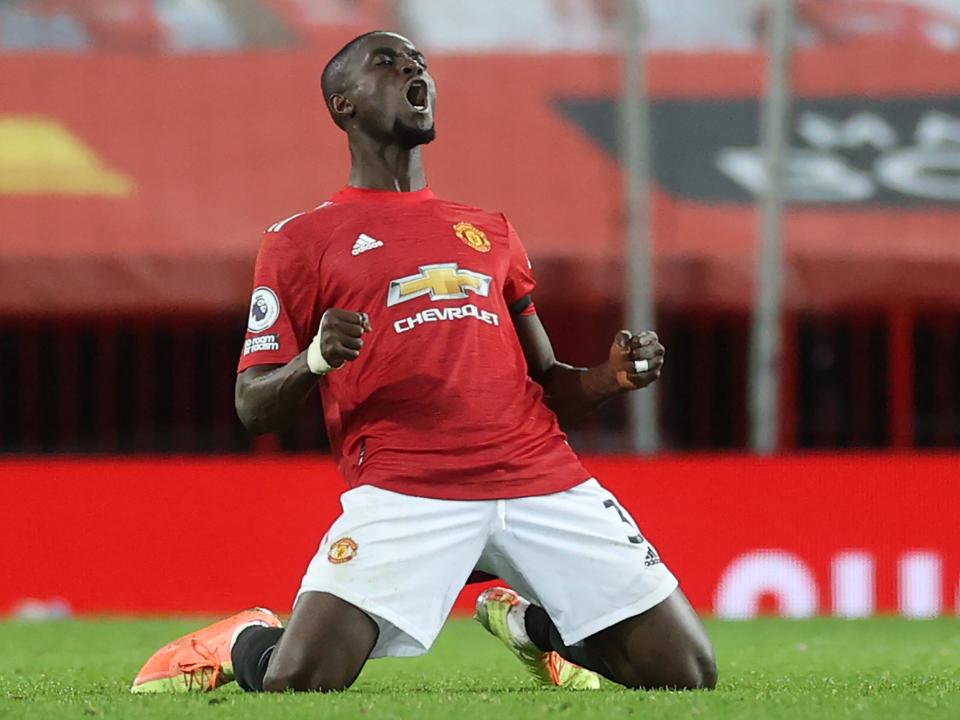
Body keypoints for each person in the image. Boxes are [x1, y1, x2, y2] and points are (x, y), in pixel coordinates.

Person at [130, 30, 716, 695]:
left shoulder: (489, 229)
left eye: (420, 63)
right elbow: (253, 406)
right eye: (389, 62)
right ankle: (243, 639)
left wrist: (611, 378)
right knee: (301, 680)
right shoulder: (299, 240)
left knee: (686, 674)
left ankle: (534, 629)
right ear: (343, 104)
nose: (415, 70)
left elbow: (550, 386)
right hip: (408, 493)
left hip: (540, 480)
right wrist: (316, 360)